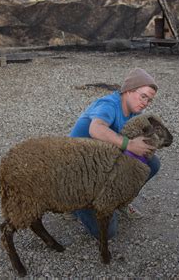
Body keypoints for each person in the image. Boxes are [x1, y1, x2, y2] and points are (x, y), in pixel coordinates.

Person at [69, 68, 161, 239]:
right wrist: (129, 145)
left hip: (100, 164)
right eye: (143, 96)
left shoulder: (134, 111)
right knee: (107, 233)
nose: (146, 103)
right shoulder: (109, 104)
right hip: (78, 170)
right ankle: (74, 205)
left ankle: (121, 200)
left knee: (152, 163)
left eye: (149, 100)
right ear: (128, 90)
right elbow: (95, 128)